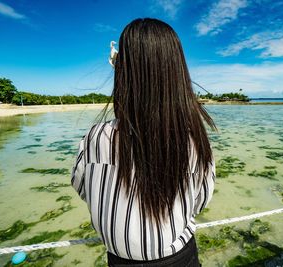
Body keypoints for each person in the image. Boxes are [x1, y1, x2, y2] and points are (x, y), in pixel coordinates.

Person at [71, 18, 216, 267]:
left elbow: (82, 187)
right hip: (181, 258)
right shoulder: (195, 140)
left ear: (123, 74)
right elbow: (201, 200)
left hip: (119, 261)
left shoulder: (96, 138)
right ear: (178, 74)